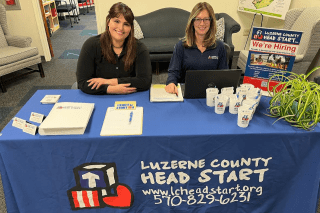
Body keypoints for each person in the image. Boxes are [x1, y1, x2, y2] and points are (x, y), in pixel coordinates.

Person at [76, 2, 152, 95]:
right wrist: (110, 89)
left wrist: (109, 82)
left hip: (129, 98)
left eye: (126, 24)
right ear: (108, 22)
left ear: (131, 28)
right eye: (116, 21)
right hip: (99, 97)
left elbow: (145, 81)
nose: (120, 28)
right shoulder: (91, 45)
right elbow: (83, 83)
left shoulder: (140, 48)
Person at [165, 2, 228, 95]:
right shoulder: (181, 46)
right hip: (187, 93)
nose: (202, 23)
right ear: (192, 22)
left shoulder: (220, 47)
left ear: (211, 22)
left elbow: (224, 75)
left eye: (206, 19)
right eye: (198, 19)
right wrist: (171, 83)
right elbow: (174, 72)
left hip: (211, 94)